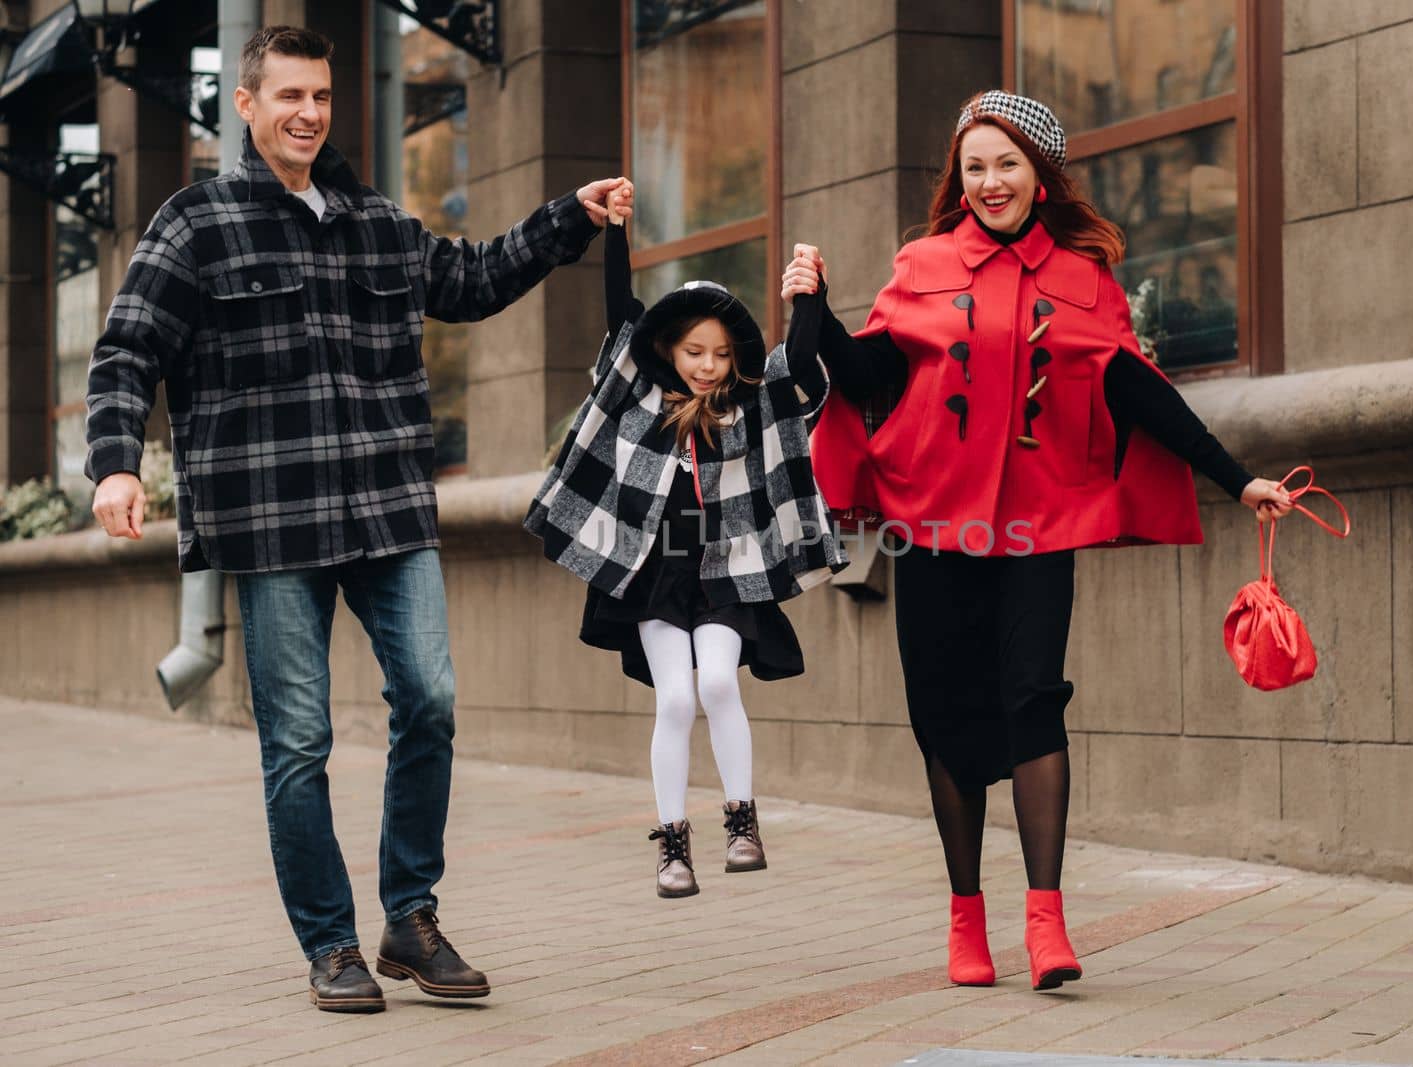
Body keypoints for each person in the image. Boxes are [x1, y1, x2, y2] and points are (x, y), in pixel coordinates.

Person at [84, 25, 625, 1013]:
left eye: (322, 96)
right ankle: (330, 942)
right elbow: (126, 352)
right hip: (270, 517)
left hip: (386, 507)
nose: (309, 113)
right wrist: (115, 464)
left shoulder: (375, 219)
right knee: (299, 740)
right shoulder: (195, 222)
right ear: (244, 106)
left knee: (431, 697)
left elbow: (470, 277)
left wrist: (568, 220)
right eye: (288, 95)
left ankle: (408, 918)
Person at [781, 90, 1293, 992]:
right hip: (929, 523)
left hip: (1036, 526)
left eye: (1007, 164)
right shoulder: (922, 263)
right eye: (974, 166)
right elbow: (870, 374)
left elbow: (1138, 392)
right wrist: (813, 314)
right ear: (960, 177)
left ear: (1040, 176)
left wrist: (1235, 475)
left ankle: (1047, 923)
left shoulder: (1084, 281)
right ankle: (965, 922)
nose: (989, 182)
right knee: (943, 713)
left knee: (1034, 698)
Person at [526, 180, 846, 899]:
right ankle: (673, 845)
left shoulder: (750, 405)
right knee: (674, 699)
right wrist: (615, 232)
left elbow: (798, 374)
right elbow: (620, 314)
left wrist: (811, 298)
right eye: (695, 350)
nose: (708, 364)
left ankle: (742, 819)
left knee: (715, 682)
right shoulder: (639, 395)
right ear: (671, 349)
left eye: (721, 353)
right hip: (655, 574)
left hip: (729, 570)